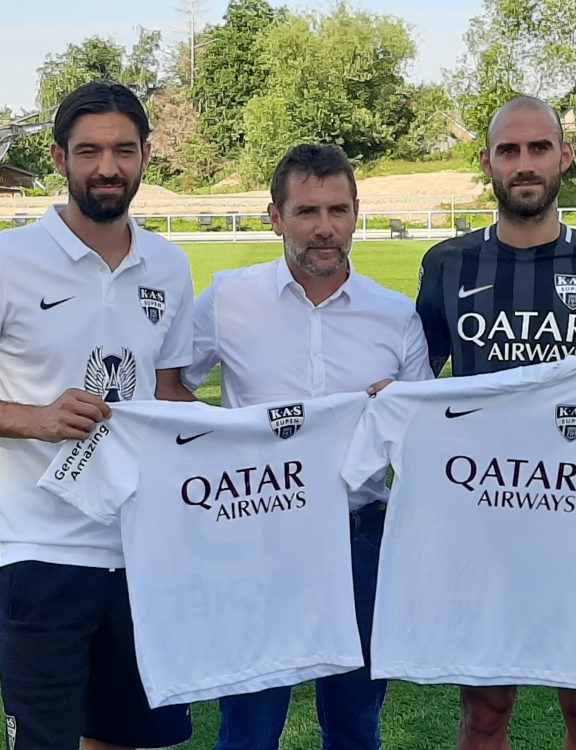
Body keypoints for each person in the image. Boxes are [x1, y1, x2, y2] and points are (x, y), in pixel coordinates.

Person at [0, 81, 194, 750]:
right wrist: (38, 419)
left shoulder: (170, 263)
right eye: (90, 151)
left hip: (143, 549)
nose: (109, 167)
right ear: (59, 158)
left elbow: (170, 397)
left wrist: (263, 433)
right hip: (40, 551)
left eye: (124, 150)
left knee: (128, 739)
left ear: (146, 157)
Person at [415, 95, 576, 750]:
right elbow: (416, 389)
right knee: (485, 713)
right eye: (509, 150)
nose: (524, 163)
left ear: (563, 156)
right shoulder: (447, 265)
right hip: (481, 524)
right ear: (488, 164)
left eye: (538, 148)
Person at [182, 143, 433, 750]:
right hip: (256, 534)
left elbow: (422, 438)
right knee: (249, 723)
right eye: (307, 212)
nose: (325, 229)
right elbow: (170, 391)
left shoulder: (394, 315)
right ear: (275, 217)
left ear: (356, 214)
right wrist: (234, 444)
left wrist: (395, 411)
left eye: (338, 211)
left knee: (354, 722)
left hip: (360, 537)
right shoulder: (227, 298)